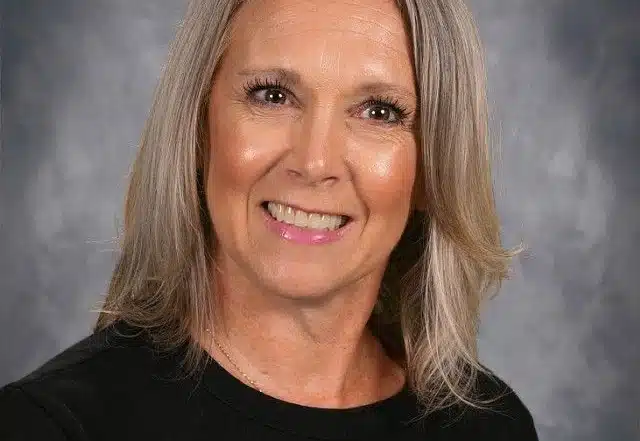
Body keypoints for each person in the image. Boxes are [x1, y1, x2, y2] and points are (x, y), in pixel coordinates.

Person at [0, 0, 539, 439]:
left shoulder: (488, 427)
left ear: (432, 168)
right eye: (273, 95)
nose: (315, 162)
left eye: (379, 111)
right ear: (199, 130)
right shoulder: (49, 426)